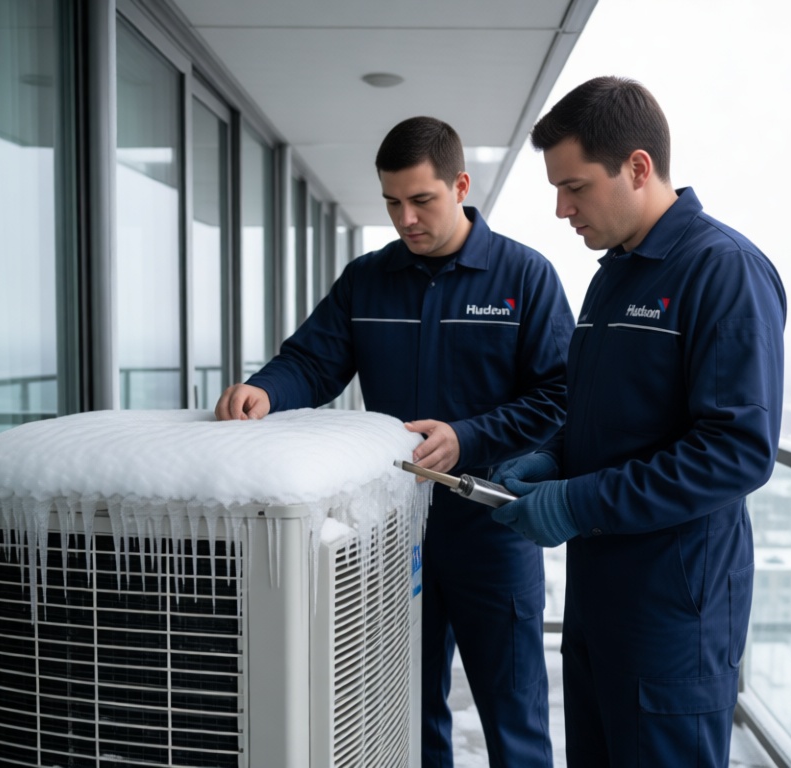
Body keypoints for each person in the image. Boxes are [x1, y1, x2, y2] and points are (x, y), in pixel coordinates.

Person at [215, 116, 572, 768]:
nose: (405, 218)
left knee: (513, 713)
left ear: (461, 185)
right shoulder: (368, 279)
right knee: (403, 705)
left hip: (493, 526)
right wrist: (265, 390)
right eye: (392, 203)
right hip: (393, 528)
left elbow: (558, 398)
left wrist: (467, 439)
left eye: (422, 200)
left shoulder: (527, 277)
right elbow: (314, 362)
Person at [491, 76, 786, 767]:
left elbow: (736, 452)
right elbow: (605, 411)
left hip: (673, 613)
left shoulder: (724, 270)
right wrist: (555, 457)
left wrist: (576, 500)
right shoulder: (613, 274)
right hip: (601, 600)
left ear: (638, 167)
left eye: (575, 187)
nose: (562, 209)